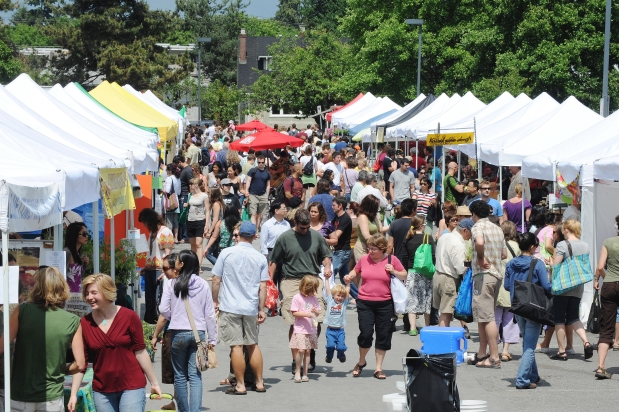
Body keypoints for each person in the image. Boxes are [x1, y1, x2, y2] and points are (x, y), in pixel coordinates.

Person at [0, 268, 84, 412]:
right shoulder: (73, 320)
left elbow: (1, 347)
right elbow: (80, 364)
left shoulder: (22, 310)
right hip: (51, 396)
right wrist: (61, 369)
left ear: (37, 287)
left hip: (21, 393)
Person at [76, 274, 162, 412]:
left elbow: (140, 351)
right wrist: (74, 392)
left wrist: (154, 383)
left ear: (106, 292)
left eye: (93, 293)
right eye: (86, 293)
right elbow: (82, 362)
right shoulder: (85, 323)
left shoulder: (129, 316)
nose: (89, 297)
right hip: (102, 389)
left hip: (131, 385)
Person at [269, 209, 332, 373]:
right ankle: (295, 357)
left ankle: (309, 350)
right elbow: (274, 261)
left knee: (316, 317)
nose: (305, 231)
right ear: (295, 223)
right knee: (294, 319)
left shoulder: (316, 236)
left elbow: (326, 256)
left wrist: (327, 267)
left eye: (308, 227)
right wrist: (269, 283)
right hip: (291, 280)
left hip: (312, 279)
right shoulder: (284, 238)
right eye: (302, 228)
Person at [211, 221, 268, 394]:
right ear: (254, 236)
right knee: (252, 345)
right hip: (250, 306)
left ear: (239, 234)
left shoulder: (226, 253)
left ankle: (241, 384)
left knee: (236, 346)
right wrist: (261, 308)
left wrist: (215, 301)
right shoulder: (260, 257)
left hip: (230, 305)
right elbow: (263, 286)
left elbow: (215, 280)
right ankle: (259, 382)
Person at [159, 250, 218, 411]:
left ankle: (183, 410)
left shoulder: (172, 283)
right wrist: (212, 338)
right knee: (195, 376)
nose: (175, 262)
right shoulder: (202, 284)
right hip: (198, 333)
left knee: (179, 376)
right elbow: (210, 314)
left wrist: (175, 315)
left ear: (182, 264)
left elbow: (163, 309)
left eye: (177, 260)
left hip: (177, 332)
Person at [344, 234, 407, 379]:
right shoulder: (364, 259)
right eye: (369, 248)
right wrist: (350, 275)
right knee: (365, 334)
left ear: (382, 249)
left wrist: (394, 271)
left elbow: (404, 275)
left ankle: (378, 368)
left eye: (373, 249)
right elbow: (356, 270)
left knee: (383, 335)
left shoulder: (392, 259)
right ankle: (361, 362)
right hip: (365, 302)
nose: (370, 251)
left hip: (385, 303)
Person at [504, 232, 552, 389]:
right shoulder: (537, 264)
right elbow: (546, 287)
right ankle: (522, 380)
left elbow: (506, 285)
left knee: (528, 341)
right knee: (530, 346)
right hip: (533, 306)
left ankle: (533, 375)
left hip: (518, 306)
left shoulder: (510, 264)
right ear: (532, 247)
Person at [469, 200, 507, 369]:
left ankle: (493, 356)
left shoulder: (478, 227)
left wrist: (480, 258)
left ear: (474, 214)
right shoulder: (497, 228)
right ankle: (482, 353)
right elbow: (504, 254)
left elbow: (479, 242)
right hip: (497, 274)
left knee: (488, 316)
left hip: (483, 274)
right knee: (484, 315)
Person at [551, 219, 594, 361]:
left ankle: (562, 351)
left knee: (559, 319)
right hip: (578, 286)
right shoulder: (585, 245)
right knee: (574, 317)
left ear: (566, 230)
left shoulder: (563, 245)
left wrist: (550, 262)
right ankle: (586, 342)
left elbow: (556, 265)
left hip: (563, 286)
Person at [150, 254, 178, 411]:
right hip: (191, 332)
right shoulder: (193, 282)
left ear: (176, 267)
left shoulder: (172, 284)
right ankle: (177, 403)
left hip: (173, 332)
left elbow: (163, 315)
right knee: (187, 374)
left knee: (176, 372)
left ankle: (178, 403)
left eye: (166, 268)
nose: (164, 271)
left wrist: (155, 336)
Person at [138, 208, 174, 324]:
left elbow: (168, 253)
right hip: (150, 269)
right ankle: (149, 321)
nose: (144, 225)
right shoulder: (153, 232)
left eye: (145, 222)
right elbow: (151, 252)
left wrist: (165, 271)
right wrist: (146, 267)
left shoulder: (165, 232)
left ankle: (158, 322)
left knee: (159, 298)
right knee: (149, 298)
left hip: (159, 269)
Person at [594, 214, 619, 379]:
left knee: (606, 328)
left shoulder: (609, 242)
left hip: (610, 285)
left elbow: (600, 266)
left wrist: (600, 278)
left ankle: (601, 367)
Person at [434, 219, 472, 327]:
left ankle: (443, 337)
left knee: (442, 312)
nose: (470, 237)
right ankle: (444, 340)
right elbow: (460, 268)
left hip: (438, 275)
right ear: (465, 230)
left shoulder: (444, 236)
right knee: (447, 313)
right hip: (449, 278)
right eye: (471, 233)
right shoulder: (457, 243)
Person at [402, 216, 436, 336]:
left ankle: (412, 327)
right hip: (426, 273)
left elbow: (404, 258)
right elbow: (433, 256)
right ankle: (427, 326)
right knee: (426, 299)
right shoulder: (427, 238)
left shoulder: (408, 238)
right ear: (421, 225)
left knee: (412, 300)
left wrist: (405, 273)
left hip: (412, 272)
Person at [495, 221, 521, 363]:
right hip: (512, 287)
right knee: (510, 321)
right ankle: (505, 351)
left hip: (498, 285)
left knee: (495, 319)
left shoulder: (498, 245)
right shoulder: (517, 247)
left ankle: (493, 348)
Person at [289, 275, 321, 382]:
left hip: (311, 328)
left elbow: (318, 311)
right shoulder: (297, 297)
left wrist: (315, 311)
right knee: (301, 349)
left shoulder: (314, 299)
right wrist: (307, 314)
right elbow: (294, 312)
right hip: (300, 328)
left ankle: (305, 373)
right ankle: (298, 371)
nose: (313, 293)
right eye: (311, 290)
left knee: (308, 351)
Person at [325, 196, 355, 301]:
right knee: (345, 279)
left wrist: (323, 239)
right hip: (338, 251)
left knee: (330, 274)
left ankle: (328, 297)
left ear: (340, 206)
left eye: (334, 205)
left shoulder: (345, 218)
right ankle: (360, 297)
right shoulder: (336, 217)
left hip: (343, 252)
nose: (332, 207)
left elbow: (336, 235)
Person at [324, 275, 351, 364]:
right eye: (338, 295)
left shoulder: (344, 303)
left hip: (340, 330)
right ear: (333, 295)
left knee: (341, 347)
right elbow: (327, 289)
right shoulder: (330, 300)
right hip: (330, 330)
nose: (340, 298)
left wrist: (348, 284)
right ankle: (329, 356)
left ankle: (341, 355)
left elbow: (347, 291)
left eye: (342, 296)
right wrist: (327, 279)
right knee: (330, 346)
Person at [185, 177, 210, 270]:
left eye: (191, 184)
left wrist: (206, 225)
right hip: (190, 220)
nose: (190, 186)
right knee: (192, 245)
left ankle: (198, 265)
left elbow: (207, 211)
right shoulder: (190, 195)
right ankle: (193, 263)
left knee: (199, 244)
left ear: (196, 185)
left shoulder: (204, 195)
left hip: (200, 220)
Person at [245, 155, 271, 233]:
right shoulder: (253, 171)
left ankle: (256, 230)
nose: (261, 164)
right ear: (257, 162)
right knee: (253, 214)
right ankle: (254, 231)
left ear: (264, 163)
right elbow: (248, 181)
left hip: (263, 195)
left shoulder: (267, 172)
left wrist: (267, 195)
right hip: (253, 194)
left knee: (260, 215)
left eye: (262, 162)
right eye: (259, 162)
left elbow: (268, 185)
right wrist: (246, 190)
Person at [353, 195, 383, 262]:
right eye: (376, 206)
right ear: (371, 207)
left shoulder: (374, 216)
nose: (378, 208)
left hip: (373, 247)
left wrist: (393, 225)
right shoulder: (362, 217)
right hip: (362, 248)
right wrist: (381, 242)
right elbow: (366, 236)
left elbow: (381, 229)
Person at [64, 222, 90, 293]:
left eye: (87, 234)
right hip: (68, 296)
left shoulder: (77, 253)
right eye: (84, 234)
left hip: (77, 296)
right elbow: (61, 276)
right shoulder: (67, 252)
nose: (86, 236)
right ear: (75, 235)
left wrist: (85, 265)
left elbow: (77, 277)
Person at [175, 155, 194, 243]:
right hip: (182, 194)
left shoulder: (188, 170)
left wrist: (191, 196)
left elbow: (192, 183)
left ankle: (185, 237)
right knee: (182, 216)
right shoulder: (184, 170)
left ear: (179, 162)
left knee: (184, 216)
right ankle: (182, 236)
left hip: (185, 195)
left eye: (176, 163)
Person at [164, 163, 182, 242]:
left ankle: (170, 238)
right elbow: (179, 191)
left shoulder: (169, 178)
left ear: (170, 171)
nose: (166, 172)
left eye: (167, 170)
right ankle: (176, 238)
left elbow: (167, 191)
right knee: (175, 221)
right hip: (176, 201)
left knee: (169, 220)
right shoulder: (178, 178)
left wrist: (162, 190)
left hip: (169, 201)